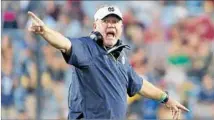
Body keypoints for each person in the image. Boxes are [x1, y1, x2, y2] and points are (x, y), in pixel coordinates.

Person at [27, 5, 189, 119]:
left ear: (121, 27)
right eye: (106, 21)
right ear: (95, 26)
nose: (111, 24)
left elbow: (139, 84)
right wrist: (45, 31)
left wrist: (166, 99)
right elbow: (64, 43)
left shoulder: (121, 58)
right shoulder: (87, 47)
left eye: (115, 21)